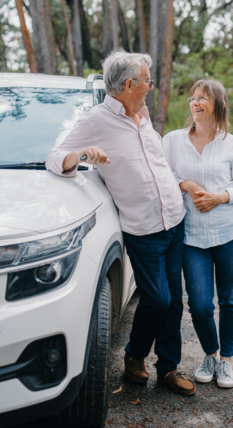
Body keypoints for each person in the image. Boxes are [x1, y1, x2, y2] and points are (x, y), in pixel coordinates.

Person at [46, 51, 196, 396]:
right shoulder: (97, 120)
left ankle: (169, 368)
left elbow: (155, 167)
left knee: (174, 300)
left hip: (174, 220)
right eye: (147, 81)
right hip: (143, 230)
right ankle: (134, 356)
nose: (150, 87)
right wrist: (82, 156)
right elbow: (54, 157)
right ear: (129, 84)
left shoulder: (142, 115)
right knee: (157, 298)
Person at [163, 79, 233, 388]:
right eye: (192, 97)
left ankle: (226, 361)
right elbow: (163, 176)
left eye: (203, 98)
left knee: (230, 298)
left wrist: (221, 196)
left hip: (231, 233)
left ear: (218, 104)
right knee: (200, 304)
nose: (195, 102)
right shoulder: (173, 141)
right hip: (192, 236)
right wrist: (186, 184)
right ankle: (211, 354)